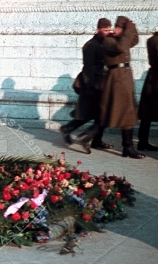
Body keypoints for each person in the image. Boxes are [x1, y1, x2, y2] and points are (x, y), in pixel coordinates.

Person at [61, 18, 113, 154]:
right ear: (98, 29)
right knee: (96, 113)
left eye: (109, 30)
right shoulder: (90, 45)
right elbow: (88, 67)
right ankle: (84, 136)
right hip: (92, 83)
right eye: (105, 30)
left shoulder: (104, 43)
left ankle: (71, 130)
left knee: (93, 113)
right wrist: (90, 86)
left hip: (101, 82)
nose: (108, 33)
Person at [97, 16, 144, 159]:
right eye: (116, 27)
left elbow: (134, 40)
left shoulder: (121, 39)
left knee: (127, 112)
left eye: (119, 28)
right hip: (116, 79)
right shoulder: (109, 40)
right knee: (117, 112)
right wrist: (128, 31)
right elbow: (121, 47)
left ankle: (127, 147)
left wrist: (132, 29)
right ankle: (93, 138)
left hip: (124, 78)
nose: (115, 30)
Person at [137, 29, 158, 151]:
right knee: (149, 112)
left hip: (151, 79)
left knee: (147, 113)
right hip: (156, 81)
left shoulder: (151, 39)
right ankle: (143, 141)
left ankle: (142, 141)